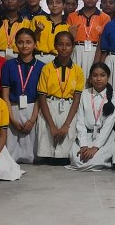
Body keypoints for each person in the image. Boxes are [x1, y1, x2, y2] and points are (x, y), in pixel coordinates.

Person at [36, 31, 84, 162]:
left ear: (73, 47)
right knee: (47, 152)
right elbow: (42, 97)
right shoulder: (47, 68)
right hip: (50, 106)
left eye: (68, 45)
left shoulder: (78, 70)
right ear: (55, 46)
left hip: (69, 108)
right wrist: (51, 125)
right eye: (60, 44)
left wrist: (66, 125)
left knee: (65, 155)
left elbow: (77, 99)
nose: (64, 48)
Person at [0, 28, 44, 164]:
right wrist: (11, 119)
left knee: (32, 154)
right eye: (20, 42)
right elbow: (5, 96)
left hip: (33, 109)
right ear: (16, 44)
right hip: (12, 108)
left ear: (35, 44)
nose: (25, 46)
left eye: (28, 42)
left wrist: (32, 120)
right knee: (10, 153)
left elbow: (40, 97)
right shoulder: (8, 65)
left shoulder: (42, 67)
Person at [67, 62, 115, 171]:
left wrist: (95, 147)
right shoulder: (84, 94)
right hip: (86, 136)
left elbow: (108, 126)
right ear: (90, 78)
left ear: (108, 77)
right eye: (95, 75)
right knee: (78, 160)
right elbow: (80, 121)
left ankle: (103, 158)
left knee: (93, 161)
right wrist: (83, 145)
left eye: (102, 75)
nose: (98, 79)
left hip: (105, 137)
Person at [67, 0, 111, 73]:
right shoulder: (72, 16)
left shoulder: (105, 17)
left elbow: (104, 43)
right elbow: (68, 40)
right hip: (76, 51)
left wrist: (99, 62)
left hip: (96, 52)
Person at [34, 0, 70, 64]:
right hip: (38, 57)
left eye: (58, 2)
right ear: (47, 5)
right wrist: (37, 31)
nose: (54, 5)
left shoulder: (67, 27)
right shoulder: (38, 19)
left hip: (57, 59)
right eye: (51, 3)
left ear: (64, 5)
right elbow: (30, 41)